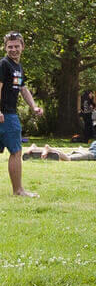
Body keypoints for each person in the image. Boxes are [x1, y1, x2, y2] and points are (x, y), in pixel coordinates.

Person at [0, 32, 40, 199]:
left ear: (23, 46)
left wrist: (34, 106)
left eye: (16, 46)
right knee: (16, 151)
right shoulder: (4, 64)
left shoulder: (18, 67)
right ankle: (18, 191)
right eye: (10, 46)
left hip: (7, 114)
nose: (13, 49)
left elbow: (23, 89)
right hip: (6, 115)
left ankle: (18, 190)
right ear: (5, 47)